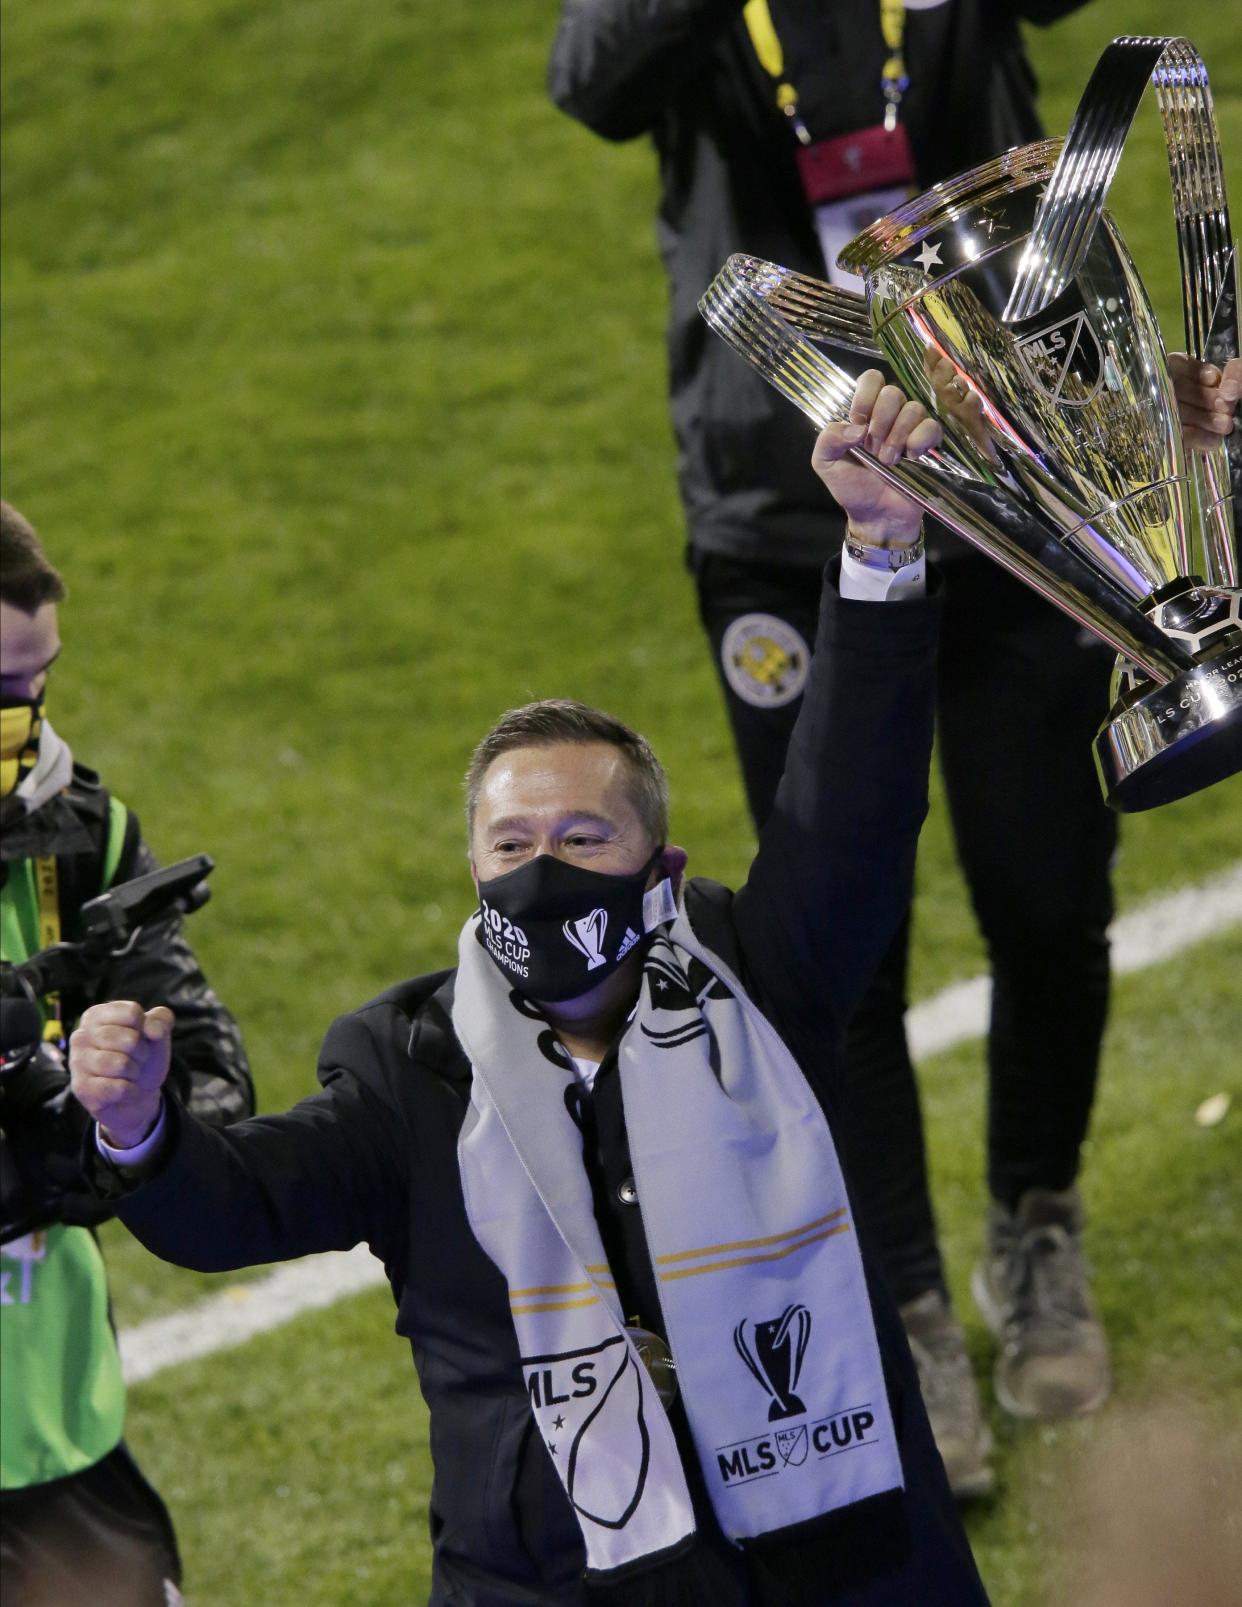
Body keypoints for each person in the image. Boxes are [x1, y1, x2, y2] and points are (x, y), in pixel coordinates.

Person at [70, 378, 996, 1606]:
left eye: (581, 835)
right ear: (471, 871)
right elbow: (232, 1208)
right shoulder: (407, 1066)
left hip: (827, 1568)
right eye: (511, 845)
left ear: (660, 865)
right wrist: (139, 1122)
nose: (542, 869)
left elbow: (853, 808)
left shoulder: (763, 978)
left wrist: (880, 547)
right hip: (551, 1583)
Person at [546, 0, 1227, 1495]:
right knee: (839, 922)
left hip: (1018, 458)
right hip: (782, 499)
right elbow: (586, 77)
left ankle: (1034, 1223)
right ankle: (907, 1293)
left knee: (1048, 891)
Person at [0, 501, 255, 1607]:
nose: (22, 717)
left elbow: (212, 1088)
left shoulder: (79, 831)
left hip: (53, 1434)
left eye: (35, 681)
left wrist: (114, 1119)